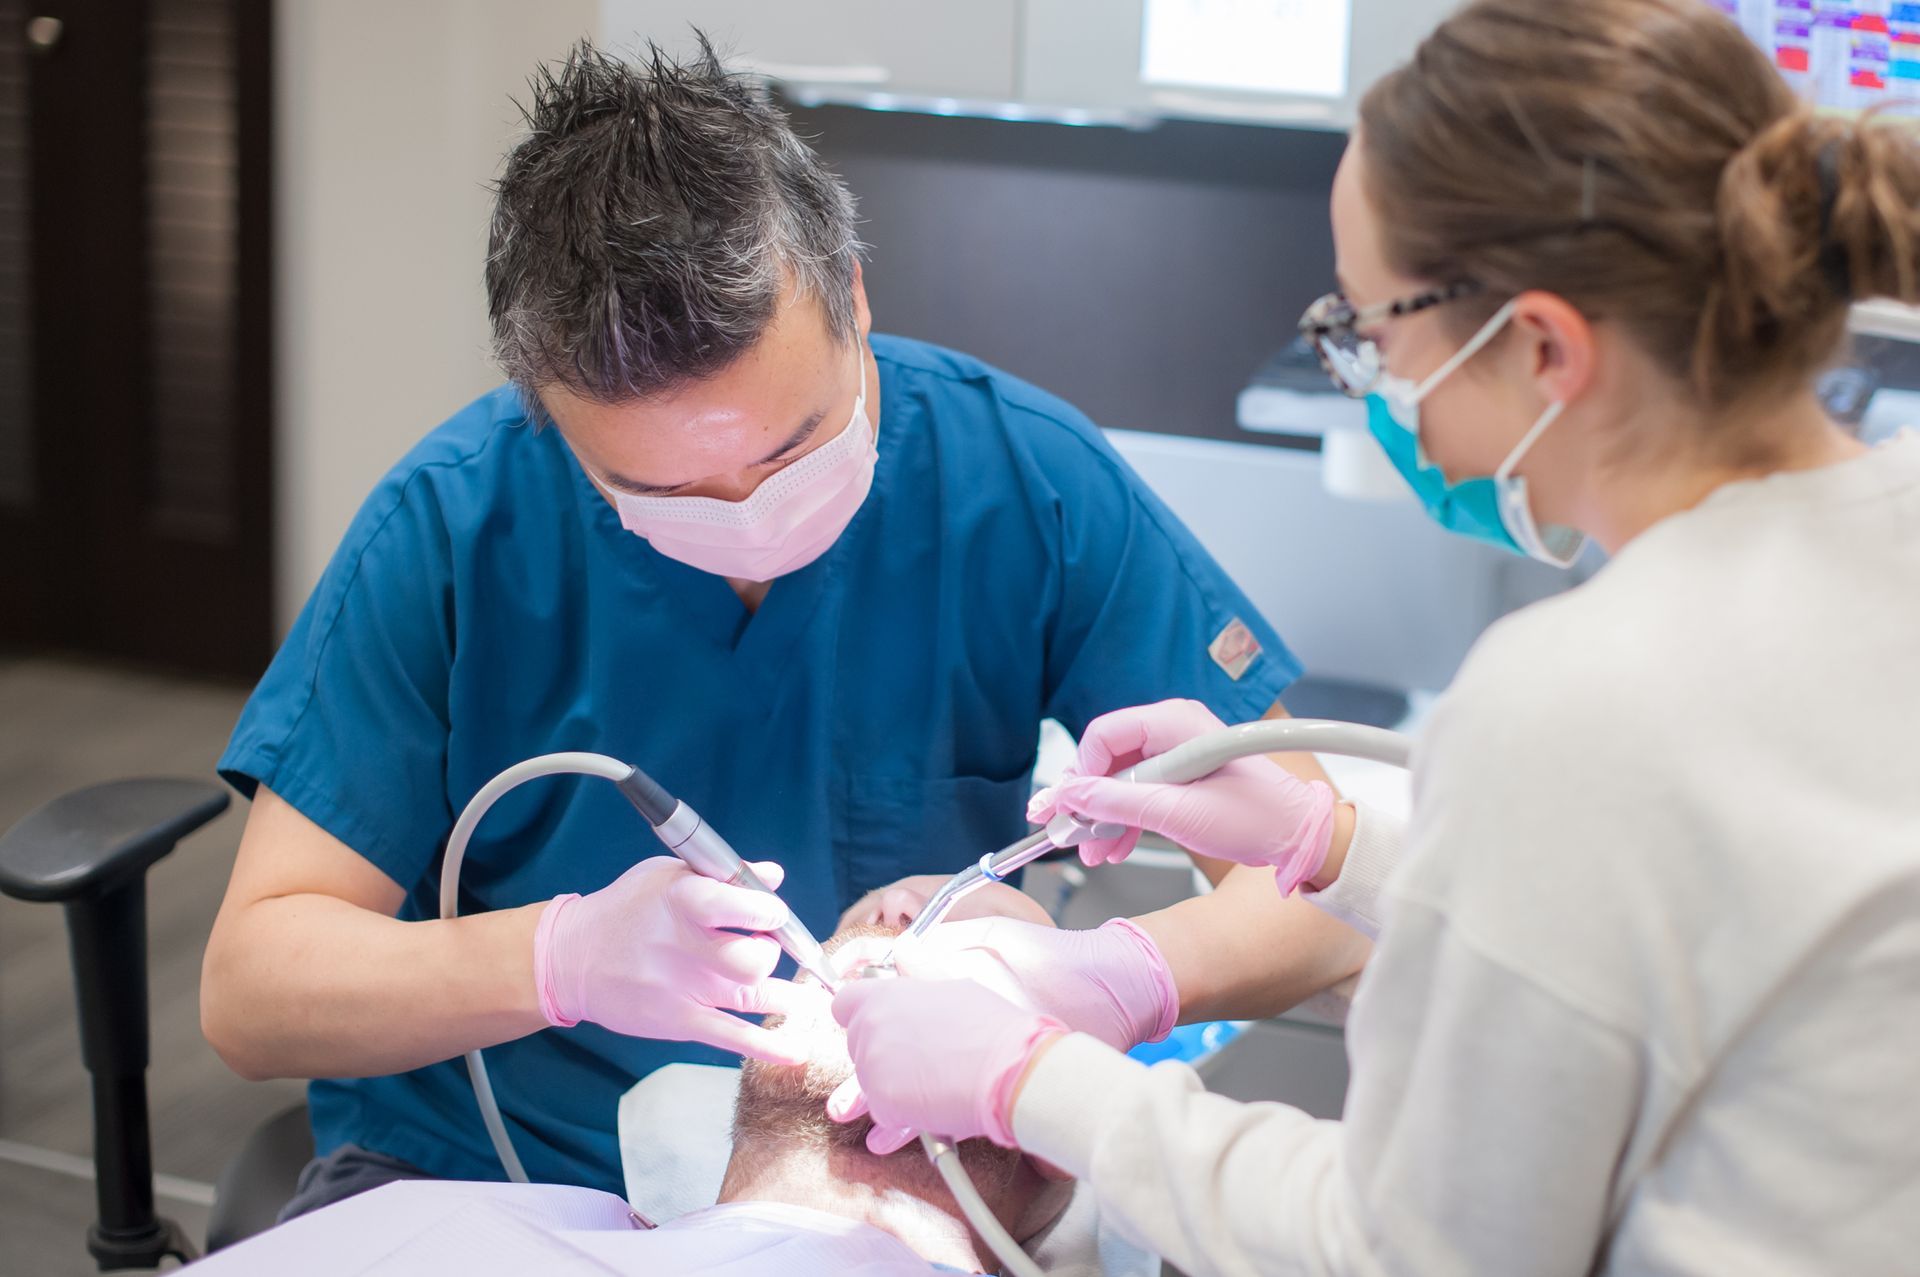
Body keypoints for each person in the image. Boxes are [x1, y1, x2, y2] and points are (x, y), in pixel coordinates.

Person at [832, 2, 1920, 1272]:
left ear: (1542, 346)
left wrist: (1029, 1081)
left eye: (1371, 332)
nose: (1371, 381)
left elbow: (1414, 1248)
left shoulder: (1576, 696)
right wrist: (1327, 839)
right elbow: (1695, 917)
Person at [200, 37, 1369, 1215]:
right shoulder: (454, 526)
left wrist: (1113, 975)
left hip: (867, 1172)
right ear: (548, 412)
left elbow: (1320, 898)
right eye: (663, 492)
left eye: (790, 448)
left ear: (852, 295)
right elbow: (251, 990)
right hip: (490, 1171)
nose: (748, 513)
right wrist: (556, 957)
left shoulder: (1022, 484)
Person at [193, 895, 1080, 1276]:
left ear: (1051, 1146)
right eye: (880, 907)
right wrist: (557, 953)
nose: (899, 914)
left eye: (972, 933)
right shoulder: (416, 1223)